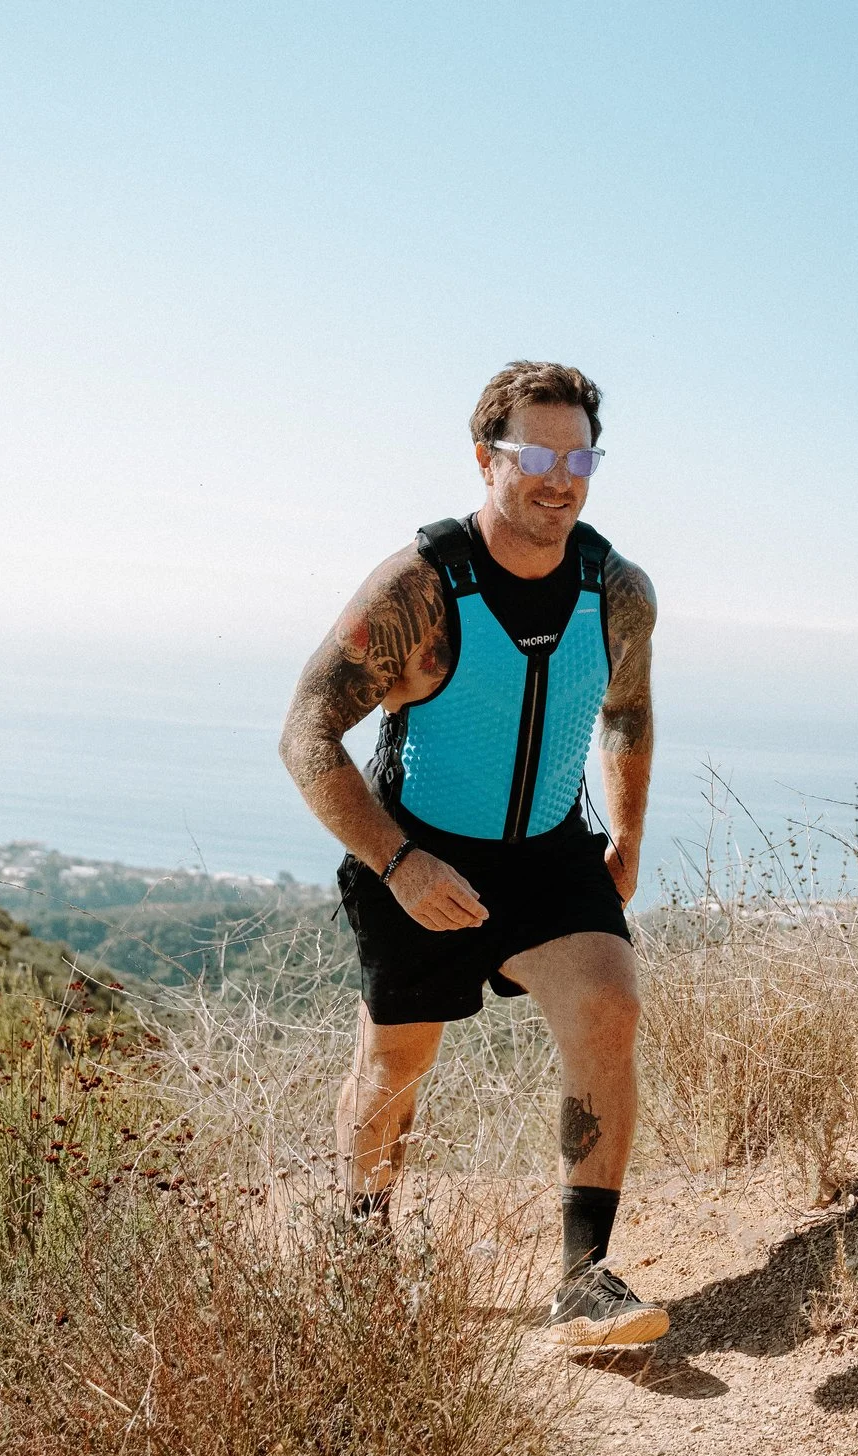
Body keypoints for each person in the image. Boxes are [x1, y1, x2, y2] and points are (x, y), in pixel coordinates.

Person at [278, 361, 666, 1348]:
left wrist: (624, 833)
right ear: (486, 456)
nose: (559, 476)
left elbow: (626, 711)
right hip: (420, 854)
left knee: (608, 1006)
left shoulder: (615, 590)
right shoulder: (421, 587)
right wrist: (399, 862)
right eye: (536, 452)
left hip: (549, 850)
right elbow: (307, 735)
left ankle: (584, 1278)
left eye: (578, 455)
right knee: (394, 1068)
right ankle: (360, 1252)